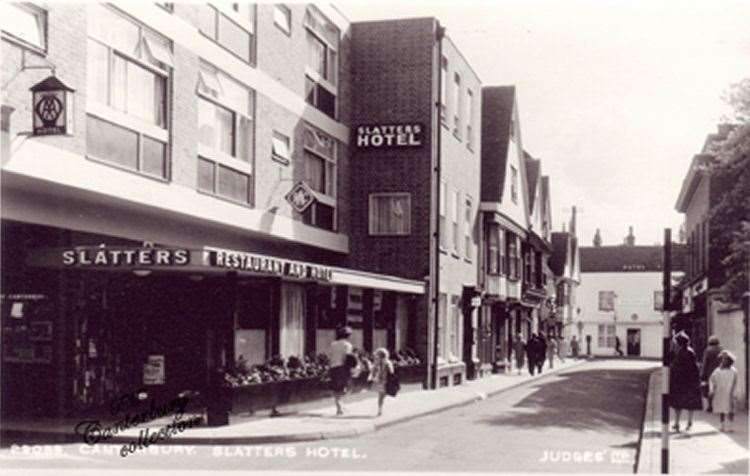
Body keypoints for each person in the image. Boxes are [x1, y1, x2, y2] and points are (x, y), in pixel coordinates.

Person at [669, 331, 703, 432]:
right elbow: (695, 367)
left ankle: (677, 422)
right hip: (689, 381)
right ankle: (688, 421)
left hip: (681, 381)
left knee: (678, 404)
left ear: (679, 343)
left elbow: (677, 367)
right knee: (689, 403)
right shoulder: (690, 351)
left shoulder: (681, 353)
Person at [709, 350, 739, 432]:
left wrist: (735, 392)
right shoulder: (717, 370)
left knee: (730, 409)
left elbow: (736, 382)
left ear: (730, 361)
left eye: (726, 359)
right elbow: (712, 379)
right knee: (722, 409)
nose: (723, 361)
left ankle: (730, 425)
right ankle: (722, 425)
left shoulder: (733, 371)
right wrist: (712, 389)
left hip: (730, 392)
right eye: (722, 359)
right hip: (720, 392)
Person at [328, 326, 353, 416]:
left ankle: (339, 406)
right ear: (348, 336)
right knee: (344, 387)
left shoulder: (333, 344)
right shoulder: (347, 345)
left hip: (333, 367)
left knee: (336, 388)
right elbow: (348, 358)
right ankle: (340, 407)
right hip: (343, 368)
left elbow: (330, 357)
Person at [369, 348, 395, 417]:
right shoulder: (387, 362)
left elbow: (373, 370)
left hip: (381, 380)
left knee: (381, 396)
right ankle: (380, 409)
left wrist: (373, 376)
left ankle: (380, 409)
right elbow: (391, 372)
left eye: (378, 355)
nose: (377, 356)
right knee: (382, 396)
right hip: (384, 380)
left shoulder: (379, 362)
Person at [701, 335, 723, 412]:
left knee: (711, 389)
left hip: (710, 372)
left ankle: (710, 405)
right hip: (721, 372)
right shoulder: (721, 349)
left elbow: (705, 363)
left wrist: (703, 373)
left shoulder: (707, 350)